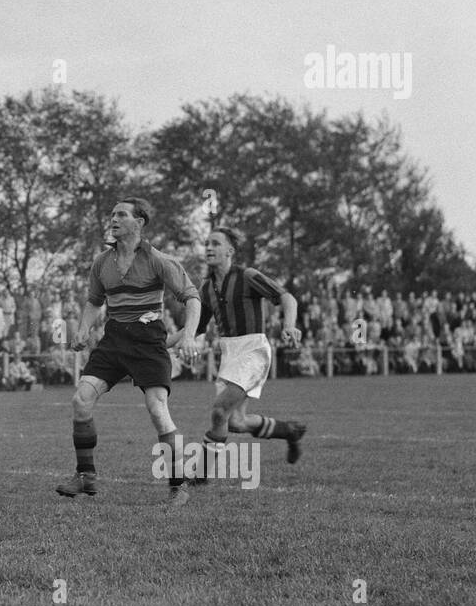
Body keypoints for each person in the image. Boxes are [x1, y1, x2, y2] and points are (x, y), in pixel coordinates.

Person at [56, 198, 201, 506]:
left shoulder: (159, 260)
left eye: (121, 214)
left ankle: (178, 486)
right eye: (112, 214)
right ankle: (85, 477)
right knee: (81, 400)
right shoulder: (102, 262)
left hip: (148, 342)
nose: (114, 219)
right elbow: (94, 302)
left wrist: (189, 335)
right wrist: (83, 330)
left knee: (157, 411)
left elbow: (192, 298)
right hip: (114, 339)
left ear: (140, 222)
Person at [192, 227, 307, 484]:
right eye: (207, 243)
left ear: (230, 251)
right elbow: (195, 328)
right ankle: (289, 431)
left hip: (253, 350)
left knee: (219, 411)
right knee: (236, 422)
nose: (209, 248)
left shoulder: (247, 276)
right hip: (230, 352)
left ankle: (200, 476)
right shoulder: (208, 287)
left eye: (215, 244)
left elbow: (286, 297)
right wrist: (162, 342)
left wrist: (289, 325)